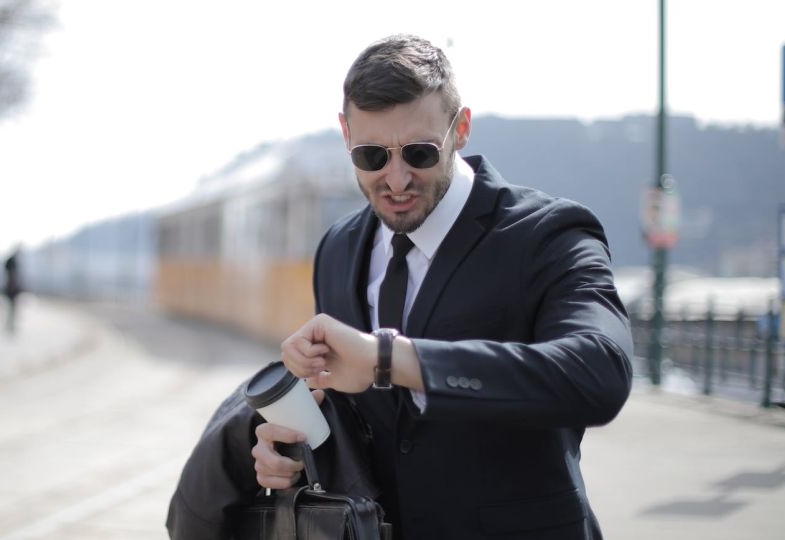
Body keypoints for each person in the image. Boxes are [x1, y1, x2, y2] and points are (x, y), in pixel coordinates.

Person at [251, 35, 633, 539]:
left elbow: (599, 373)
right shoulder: (337, 249)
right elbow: (361, 419)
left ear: (463, 129)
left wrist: (391, 359)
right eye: (371, 156)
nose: (396, 178)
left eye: (419, 152)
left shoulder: (549, 234)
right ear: (345, 134)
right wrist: (294, 450)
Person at [3, 245, 22, 334]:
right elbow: (13, 275)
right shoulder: (13, 261)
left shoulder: (10, 261)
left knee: (12, 308)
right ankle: (10, 325)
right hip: (12, 290)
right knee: (12, 308)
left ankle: (10, 325)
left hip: (10, 289)